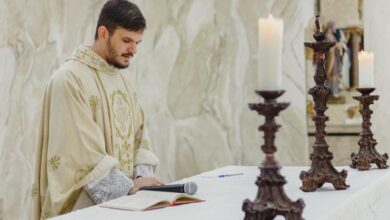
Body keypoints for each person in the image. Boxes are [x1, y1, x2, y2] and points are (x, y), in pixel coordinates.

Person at [31, 0, 162, 219]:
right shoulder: (70, 80)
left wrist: (142, 184)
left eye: (137, 43)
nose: (133, 50)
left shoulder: (125, 79)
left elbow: (140, 138)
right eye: (127, 40)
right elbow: (81, 157)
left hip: (130, 208)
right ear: (103, 33)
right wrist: (129, 189)